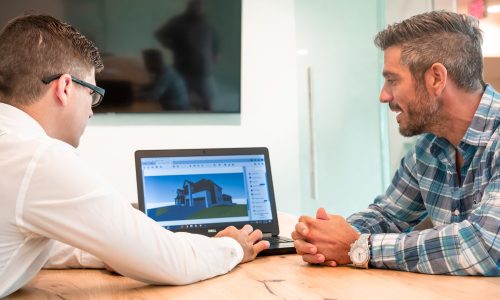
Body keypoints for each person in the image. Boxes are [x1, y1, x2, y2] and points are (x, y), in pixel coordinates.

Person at [0, 14, 269, 298]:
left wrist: (113, 250)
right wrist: (233, 247)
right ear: (65, 88)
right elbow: (172, 261)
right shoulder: (39, 159)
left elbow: (30, 238)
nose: (92, 110)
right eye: (92, 94)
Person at [292, 10, 499, 276]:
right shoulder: (429, 148)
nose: (383, 95)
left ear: (436, 78)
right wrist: (323, 237)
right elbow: (389, 216)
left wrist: (359, 247)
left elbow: (484, 246)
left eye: (392, 80)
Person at [155, 0, 219, 111]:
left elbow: (215, 42)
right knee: (182, 103)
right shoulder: (178, 22)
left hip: (204, 71)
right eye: (195, 5)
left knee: (207, 104)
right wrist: (171, 45)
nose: (198, 8)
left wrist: (215, 56)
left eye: (200, 5)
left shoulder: (206, 23)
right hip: (184, 70)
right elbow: (159, 33)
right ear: (189, 6)